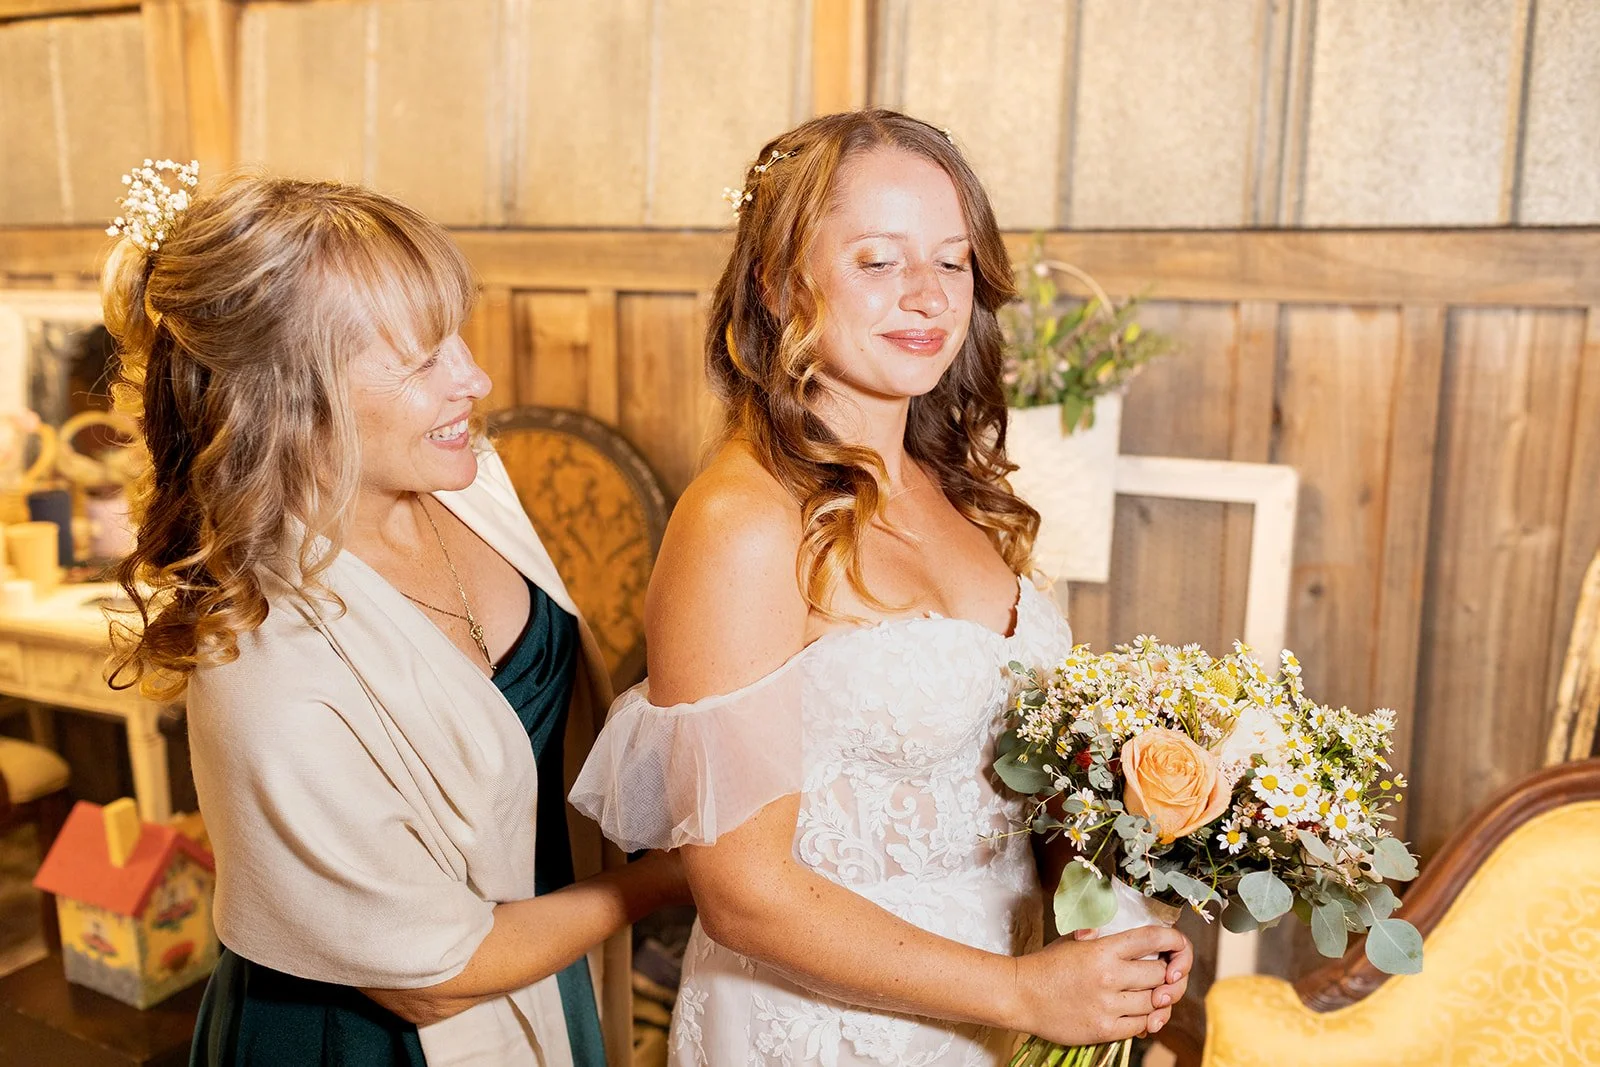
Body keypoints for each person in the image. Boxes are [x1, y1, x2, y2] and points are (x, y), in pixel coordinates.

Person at [571, 109, 1192, 1065]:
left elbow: (1006, 786)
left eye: (951, 262)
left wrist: (1108, 921)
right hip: (825, 1028)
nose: (927, 296)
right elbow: (741, 891)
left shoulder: (961, 487)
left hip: (1000, 1015)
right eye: (877, 261)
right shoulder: (744, 522)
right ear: (779, 282)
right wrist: (1023, 992)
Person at [101, 164, 687, 1067]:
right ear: (289, 398)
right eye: (423, 359)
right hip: (374, 1037)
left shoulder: (470, 483)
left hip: (542, 962)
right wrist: (670, 880)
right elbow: (436, 974)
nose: (477, 378)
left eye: (458, 338)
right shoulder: (267, 667)